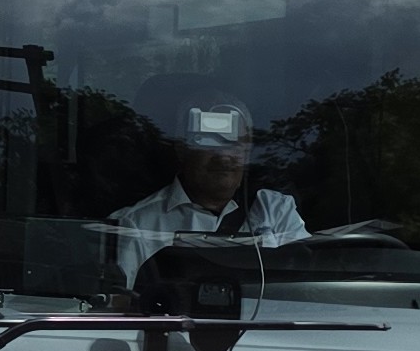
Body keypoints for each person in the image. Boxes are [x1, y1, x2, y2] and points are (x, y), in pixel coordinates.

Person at [109, 91, 304, 280]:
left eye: (234, 143)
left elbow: (305, 289)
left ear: (247, 152)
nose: (223, 156)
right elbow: (124, 304)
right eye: (208, 142)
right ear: (181, 149)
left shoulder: (277, 210)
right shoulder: (136, 224)